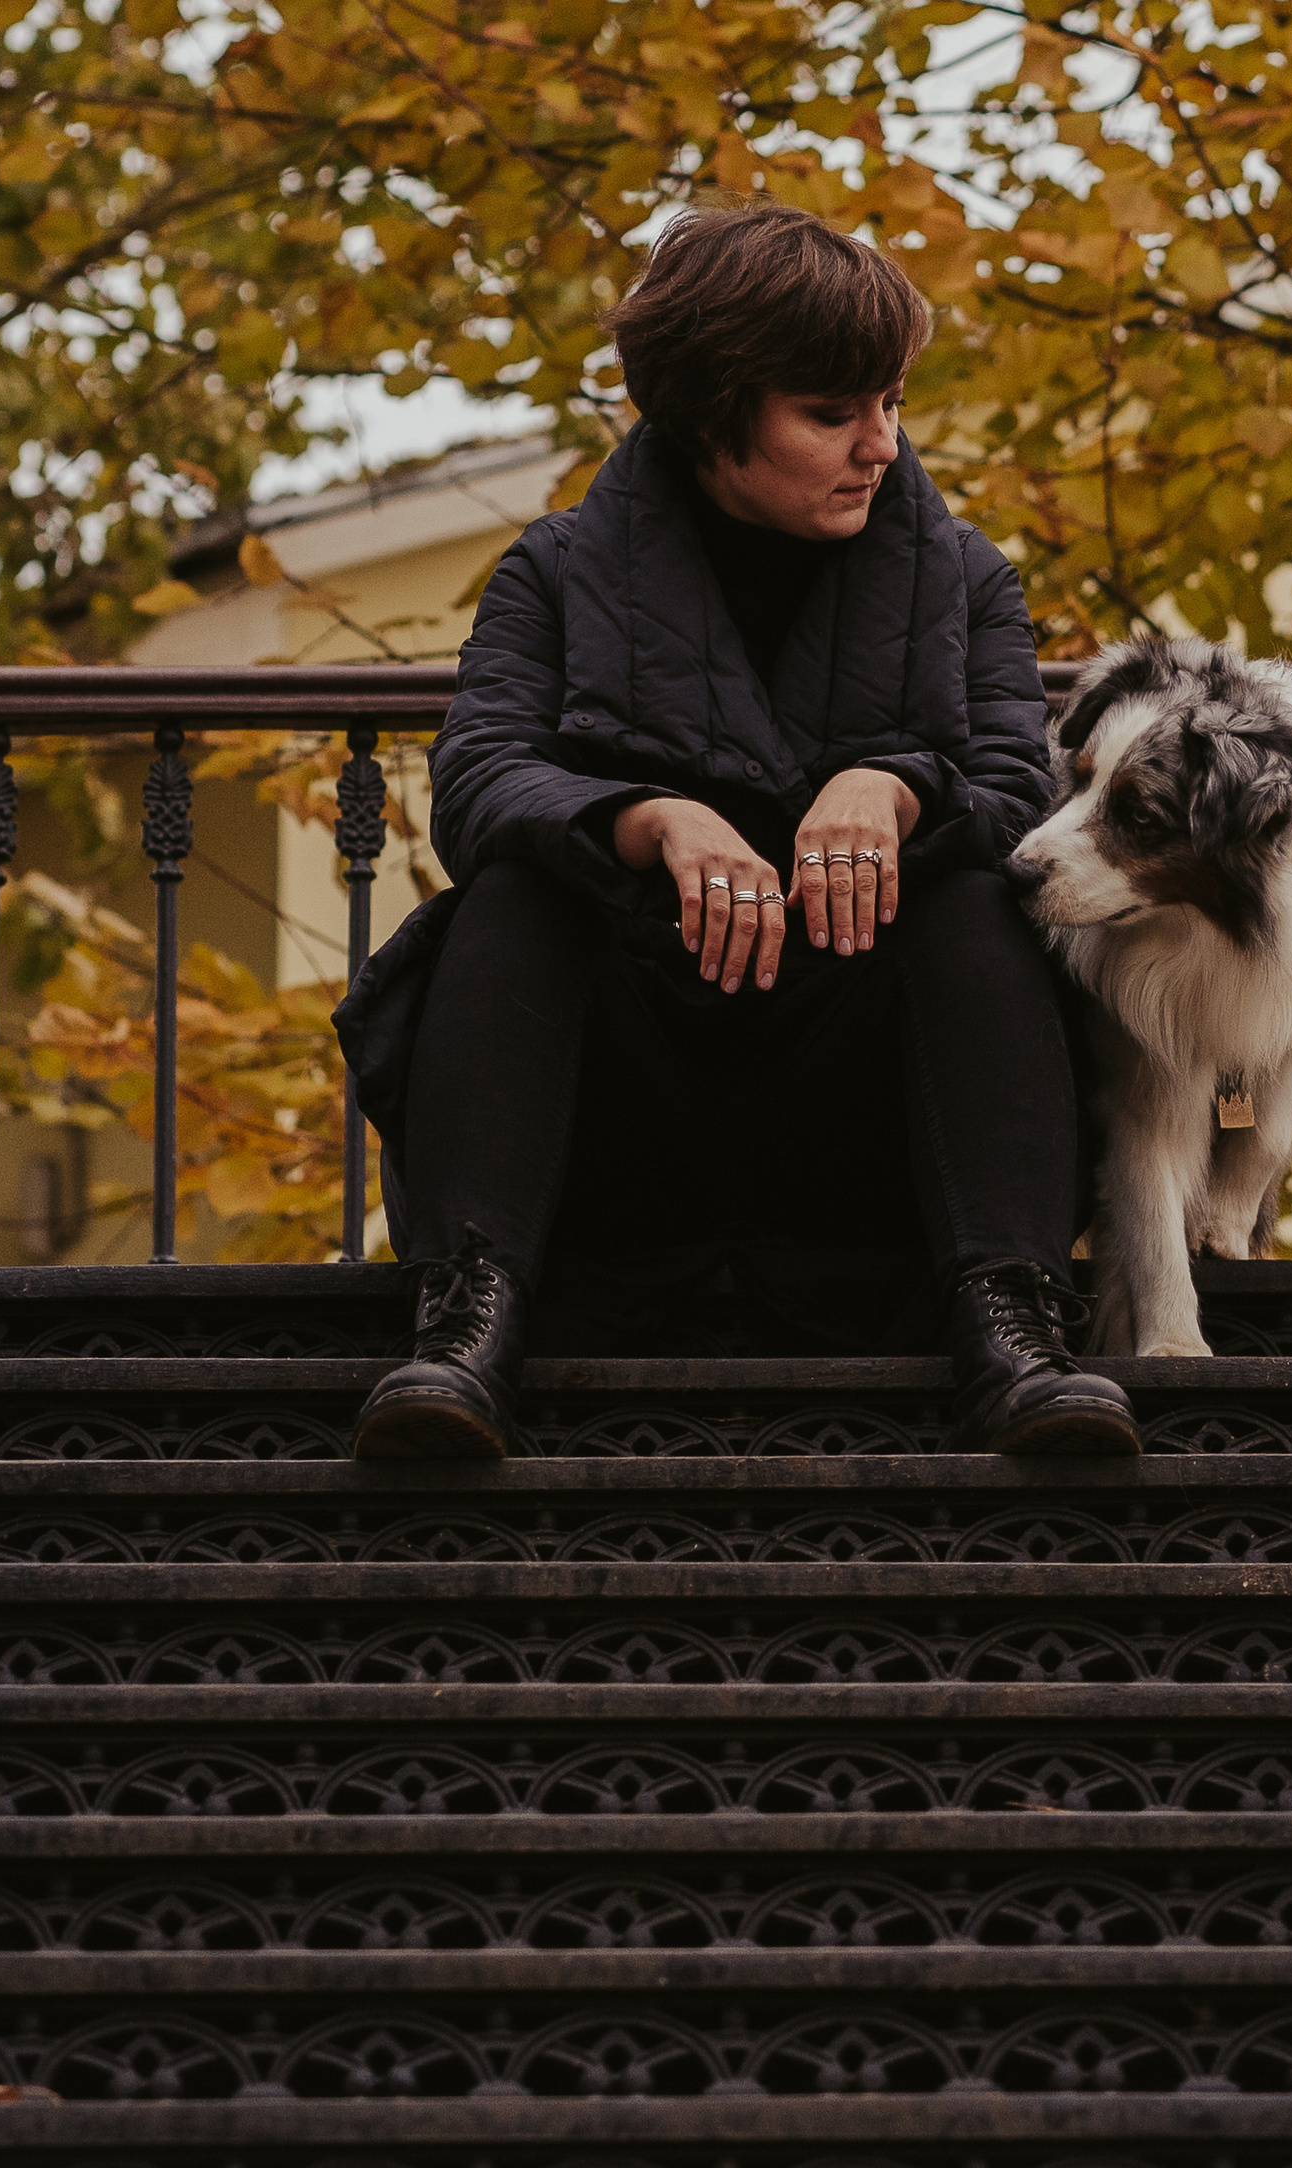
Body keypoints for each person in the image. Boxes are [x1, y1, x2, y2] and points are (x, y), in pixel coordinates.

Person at [334, 201, 1135, 1462]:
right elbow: (479, 782)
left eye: (890, 403)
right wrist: (646, 820)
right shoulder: (553, 571)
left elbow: (1020, 796)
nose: (878, 446)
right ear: (712, 415)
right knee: (506, 900)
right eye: (831, 415)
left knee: (982, 899)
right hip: (626, 1113)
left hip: (862, 1113)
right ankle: (465, 1325)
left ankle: (1014, 1325)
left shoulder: (966, 579)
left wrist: (896, 787)